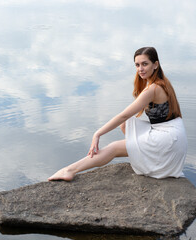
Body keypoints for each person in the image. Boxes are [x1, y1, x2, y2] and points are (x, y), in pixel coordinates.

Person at [48, 47, 187, 181]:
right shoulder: (162, 83)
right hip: (173, 134)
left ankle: (69, 170)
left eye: (145, 64)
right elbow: (125, 120)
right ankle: (141, 154)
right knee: (125, 125)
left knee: (114, 147)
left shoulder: (153, 88)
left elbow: (123, 114)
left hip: (169, 140)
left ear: (155, 64)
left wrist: (97, 134)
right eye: (137, 65)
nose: (140, 69)